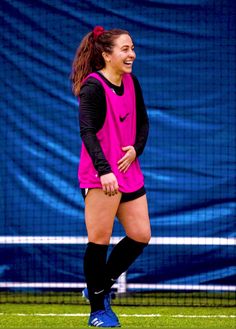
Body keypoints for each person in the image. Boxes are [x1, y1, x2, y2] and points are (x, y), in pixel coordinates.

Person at [71, 26, 151, 327]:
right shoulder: (93, 87)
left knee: (141, 234)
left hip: (129, 170)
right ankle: (98, 310)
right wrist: (104, 170)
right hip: (99, 174)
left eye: (132, 48)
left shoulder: (131, 82)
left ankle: (98, 283)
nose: (131, 54)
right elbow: (87, 132)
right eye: (125, 49)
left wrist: (135, 149)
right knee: (99, 241)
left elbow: (143, 121)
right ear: (106, 54)